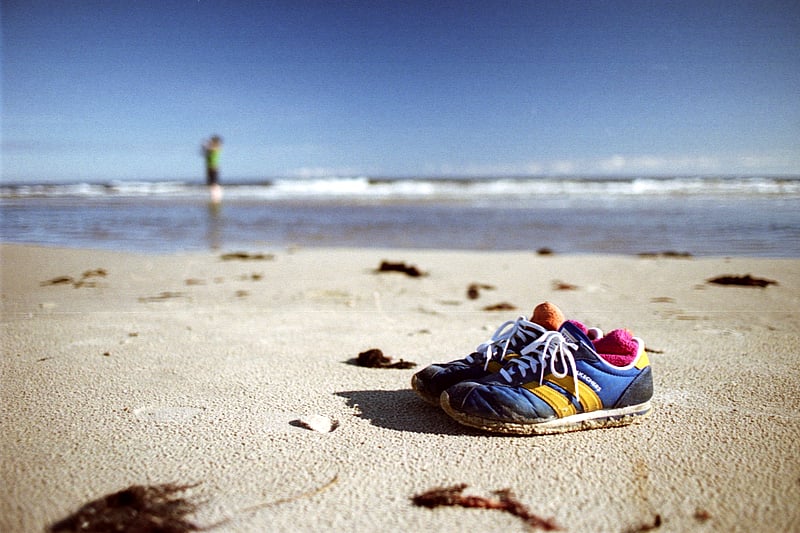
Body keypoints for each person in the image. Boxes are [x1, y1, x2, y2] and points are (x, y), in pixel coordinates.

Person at [202, 135, 223, 203]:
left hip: (214, 167)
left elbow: (212, 148)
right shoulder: (210, 149)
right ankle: (213, 196)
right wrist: (205, 146)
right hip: (208, 167)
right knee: (210, 183)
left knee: (214, 183)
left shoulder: (217, 147)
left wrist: (207, 144)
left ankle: (217, 197)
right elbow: (203, 152)